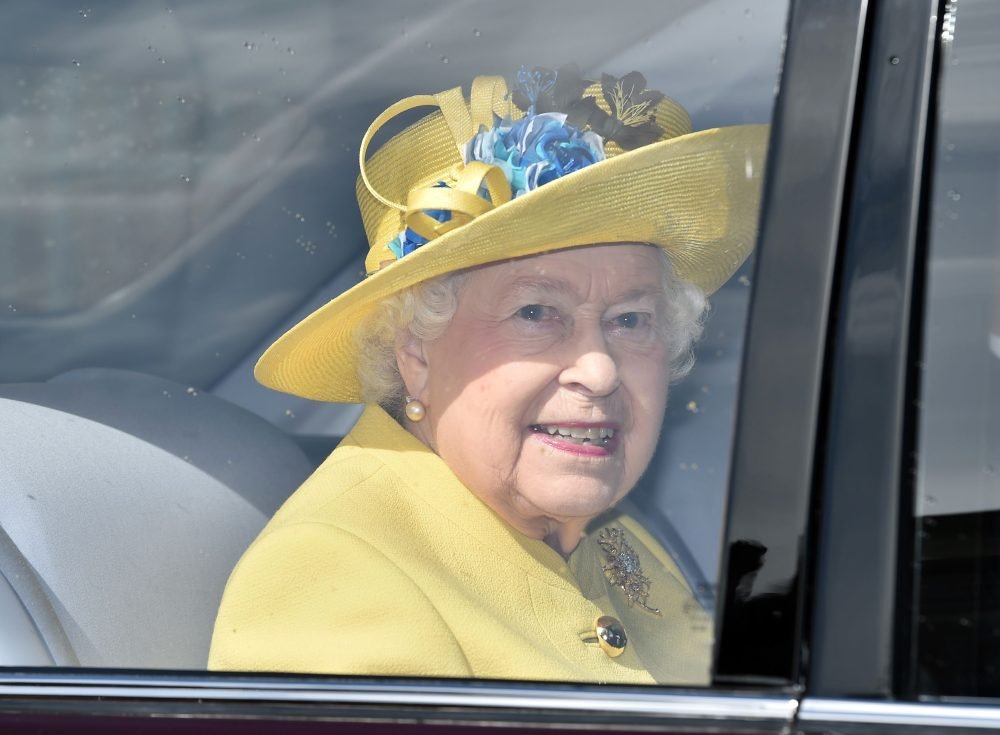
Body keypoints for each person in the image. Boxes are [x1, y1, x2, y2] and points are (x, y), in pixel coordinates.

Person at [209, 67, 766, 684]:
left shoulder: (608, 532)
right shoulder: (327, 579)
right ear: (415, 352)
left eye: (630, 319)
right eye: (535, 312)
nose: (600, 369)